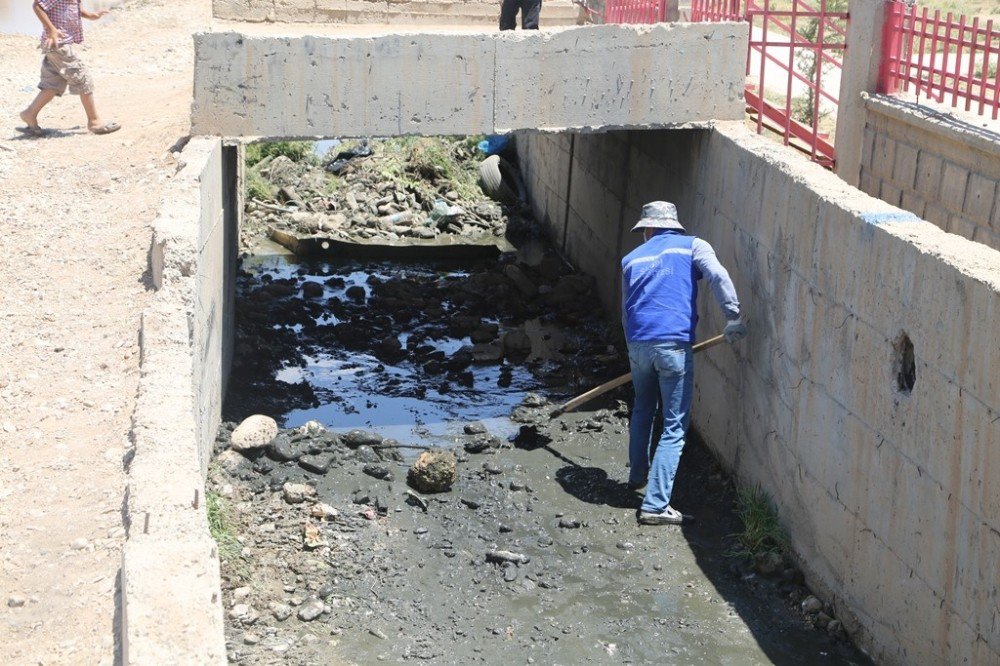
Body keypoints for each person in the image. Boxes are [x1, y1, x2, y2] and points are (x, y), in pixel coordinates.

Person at [621, 201, 746, 526]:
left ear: (648, 228)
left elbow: (626, 310)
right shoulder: (693, 245)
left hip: (638, 345)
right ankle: (654, 506)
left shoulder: (631, 259)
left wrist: (634, 348)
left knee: (643, 409)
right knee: (674, 426)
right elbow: (717, 275)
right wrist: (732, 316)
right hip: (673, 346)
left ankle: (637, 477)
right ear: (674, 226)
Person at [17, 0, 121, 137]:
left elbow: (73, 8)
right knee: (83, 79)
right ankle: (94, 121)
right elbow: (37, 6)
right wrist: (51, 29)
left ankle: (29, 114)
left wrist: (90, 15)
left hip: (57, 46)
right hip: (59, 44)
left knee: (52, 85)